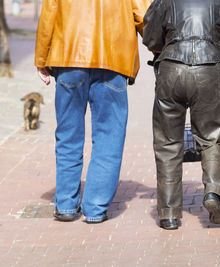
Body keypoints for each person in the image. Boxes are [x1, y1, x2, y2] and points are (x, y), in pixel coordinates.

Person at [143, 0, 220, 230]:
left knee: (168, 143)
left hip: (171, 69)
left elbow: (150, 38)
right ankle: (213, 193)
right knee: (210, 138)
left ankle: (169, 214)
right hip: (207, 69)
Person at [35, 0, 150, 223]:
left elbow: (49, 14)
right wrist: (160, 46)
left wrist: (41, 59)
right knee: (109, 136)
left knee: (68, 134)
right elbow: (144, 16)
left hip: (68, 58)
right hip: (112, 60)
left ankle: (66, 205)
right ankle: (96, 207)